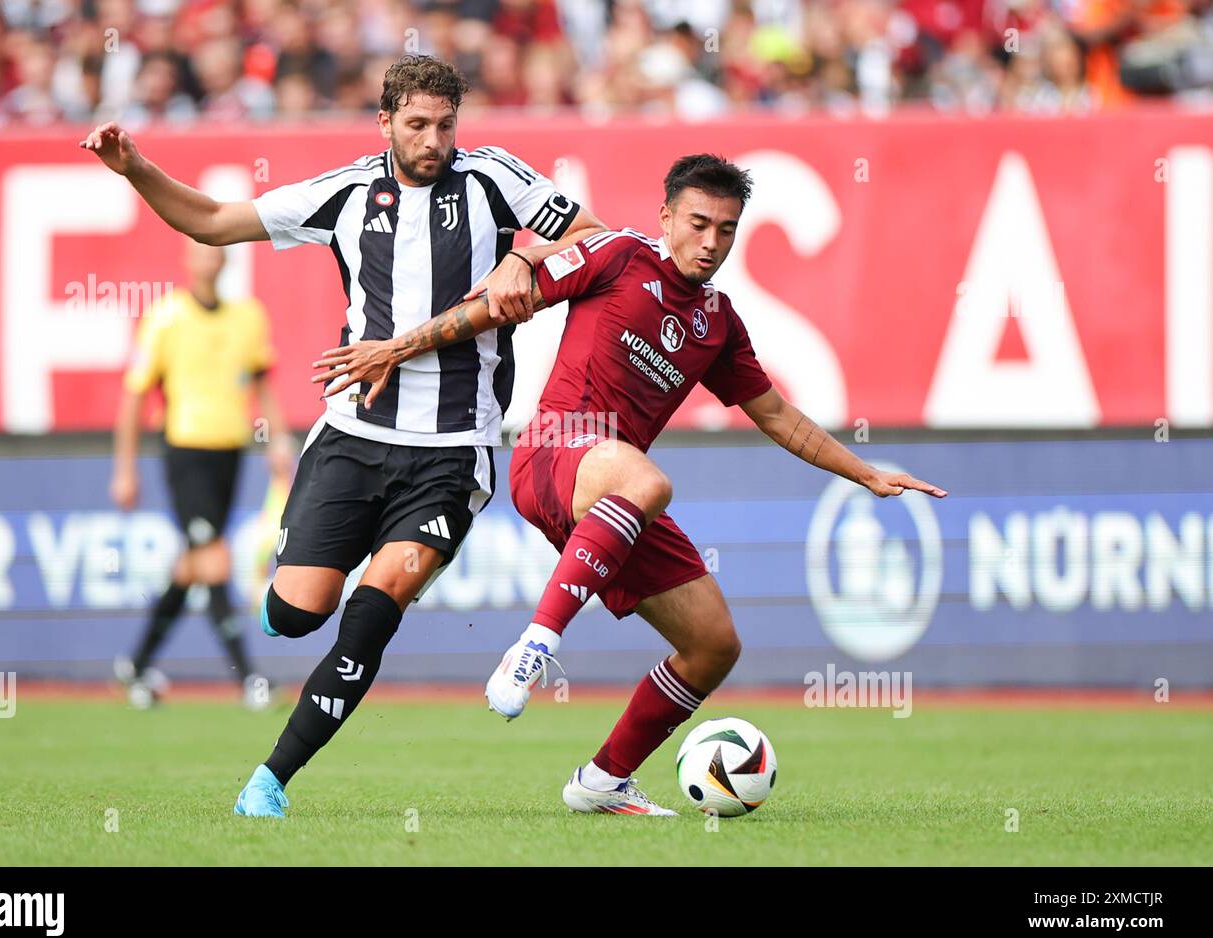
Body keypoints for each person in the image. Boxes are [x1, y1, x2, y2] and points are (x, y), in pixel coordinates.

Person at [313, 153, 948, 814]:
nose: (711, 242)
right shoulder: (616, 254)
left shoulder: (718, 322)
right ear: (666, 216)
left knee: (712, 645)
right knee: (648, 481)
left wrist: (867, 473)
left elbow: (778, 416)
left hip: (614, 495)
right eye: (699, 223)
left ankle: (601, 782)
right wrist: (394, 347)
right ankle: (533, 649)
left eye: (727, 230)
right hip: (554, 450)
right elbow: (493, 307)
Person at [81, 54, 605, 817]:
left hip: (454, 451)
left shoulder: (496, 179)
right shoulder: (348, 193)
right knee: (298, 614)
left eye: (446, 125)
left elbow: (595, 237)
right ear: (385, 122)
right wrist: (136, 170)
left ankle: (270, 781)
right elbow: (215, 221)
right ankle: (290, 593)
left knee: (377, 601)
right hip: (353, 436)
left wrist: (526, 253)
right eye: (418, 124)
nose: (433, 140)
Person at [111, 239, 291, 710]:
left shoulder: (248, 317)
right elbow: (134, 394)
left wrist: (277, 440)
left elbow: (261, 382)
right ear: (187, 259)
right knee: (213, 559)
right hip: (184, 449)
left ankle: (136, 664)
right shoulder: (166, 316)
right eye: (200, 250)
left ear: (225, 259)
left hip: (230, 451)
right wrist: (125, 469)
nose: (209, 258)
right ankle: (248, 678)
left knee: (193, 565)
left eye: (215, 250)